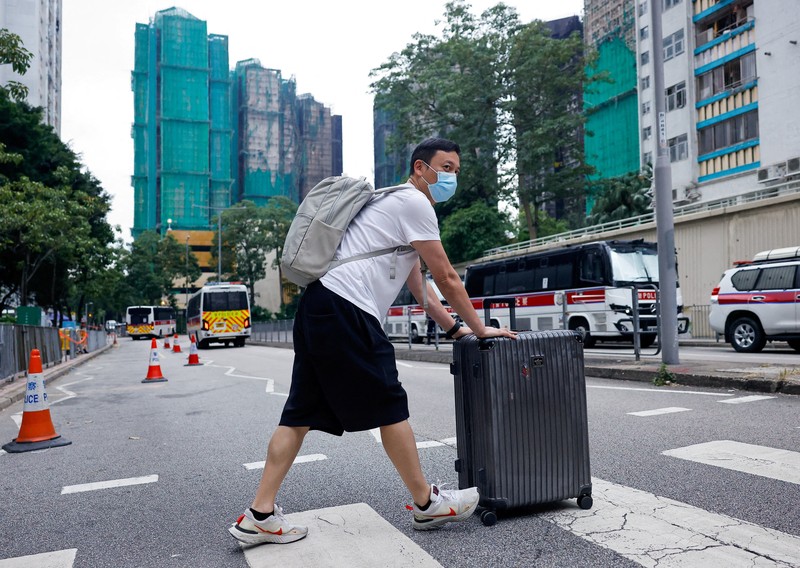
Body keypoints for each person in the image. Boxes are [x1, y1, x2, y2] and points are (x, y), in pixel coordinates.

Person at [228, 137, 517, 546]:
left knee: (299, 414)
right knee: (389, 401)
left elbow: (422, 290)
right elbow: (448, 276)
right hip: (348, 308)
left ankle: (259, 515)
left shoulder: (393, 206)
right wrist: (481, 328)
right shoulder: (414, 203)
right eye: (445, 168)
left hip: (319, 305)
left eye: (456, 170)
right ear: (420, 168)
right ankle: (426, 502)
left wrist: (455, 330)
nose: (451, 177)